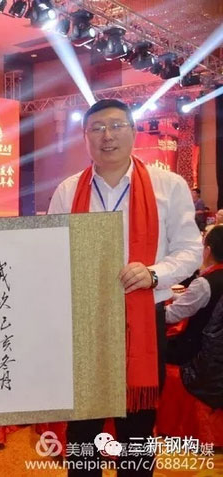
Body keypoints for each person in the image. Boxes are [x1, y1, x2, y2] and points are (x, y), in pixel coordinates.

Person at [47, 99, 202, 477]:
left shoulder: (168, 185)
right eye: (97, 128)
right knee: (82, 430)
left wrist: (154, 274)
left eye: (117, 126)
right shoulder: (69, 190)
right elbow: (50, 250)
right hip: (85, 320)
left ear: (133, 132)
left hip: (144, 317)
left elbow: (191, 249)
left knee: (137, 431)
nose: (108, 136)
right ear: (85, 137)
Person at [166, 225, 223, 365]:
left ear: (207, 251)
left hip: (198, 350)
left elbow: (172, 315)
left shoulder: (204, 284)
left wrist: (153, 307)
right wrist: (172, 295)